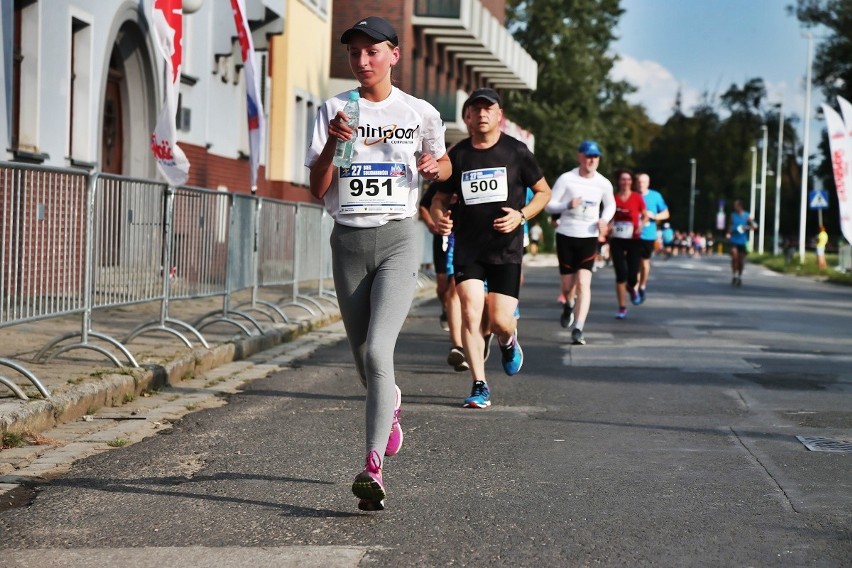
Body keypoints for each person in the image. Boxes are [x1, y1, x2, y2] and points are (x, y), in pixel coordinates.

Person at [306, 16, 451, 511]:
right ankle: (389, 410)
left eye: (372, 52)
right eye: (354, 54)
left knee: (377, 352)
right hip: (347, 241)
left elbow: (443, 160)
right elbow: (317, 188)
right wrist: (332, 142)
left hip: (397, 240)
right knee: (365, 362)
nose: (362, 62)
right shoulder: (333, 109)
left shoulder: (420, 111)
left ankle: (372, 467)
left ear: (394, 54)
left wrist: (436, 167)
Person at [431, 88, 551, 408]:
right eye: (476, 109)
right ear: (467, 116)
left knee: (500, 320)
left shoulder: (517, 152)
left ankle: (508, 339)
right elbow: (439, 199)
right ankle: (479, 384)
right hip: (469, 249)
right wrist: (440, 219)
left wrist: (522, 215)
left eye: (489, 109)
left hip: (506, 249)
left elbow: (543, 192)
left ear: (500, 115)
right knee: (471, 311)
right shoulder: (457, 156)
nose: (482, 114)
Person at [545, 140, 615, 344]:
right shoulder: (567, 179)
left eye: (595, 156)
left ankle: (579, 327)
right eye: (588, 156)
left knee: (584, 282)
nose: (592, 160)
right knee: (568, 286)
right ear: (580, 157)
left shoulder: (603, 183)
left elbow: (611, 205)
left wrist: (604, 219)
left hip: (588, 237)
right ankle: (569, 303)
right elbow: (549, 205)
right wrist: (567, 205)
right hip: (566, 235)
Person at [609, 169, 646, 319]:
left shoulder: (637, 197)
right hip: (617, 239)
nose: (626, 182)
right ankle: (622, 307)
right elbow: (608, 215)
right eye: (623, 179)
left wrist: (641, 225)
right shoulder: (613, 198)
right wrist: (610, 225)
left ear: (632, 182)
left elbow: (645, 215)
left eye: (628, 180)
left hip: (634, 239)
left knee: (632, 276)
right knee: (620, 274)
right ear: (619, 181)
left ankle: (632, 287)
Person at [635, 172, 669, 302]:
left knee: (644, 262)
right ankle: (635, 287)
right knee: (634, 263)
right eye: (638, 182)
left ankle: (642, 286)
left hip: (648, 235)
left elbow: (666, 213)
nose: (641, 184)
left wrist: (654, 216)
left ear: (648, 183)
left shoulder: (655, 196)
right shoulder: (632, 195)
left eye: (643, 182)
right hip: (633, 235)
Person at [726, 199, 757, 286]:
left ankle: (739, 276)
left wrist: (745, 227)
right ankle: (734, 275)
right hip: (734, 239)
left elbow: (754, 226)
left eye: (736, 206)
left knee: (740, 260)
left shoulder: (746, 215)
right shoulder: (733, 215)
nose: (735, 208)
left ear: (740, 206)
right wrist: (728, 233)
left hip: (742, 240)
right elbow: (730, 225)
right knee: (734, 257)